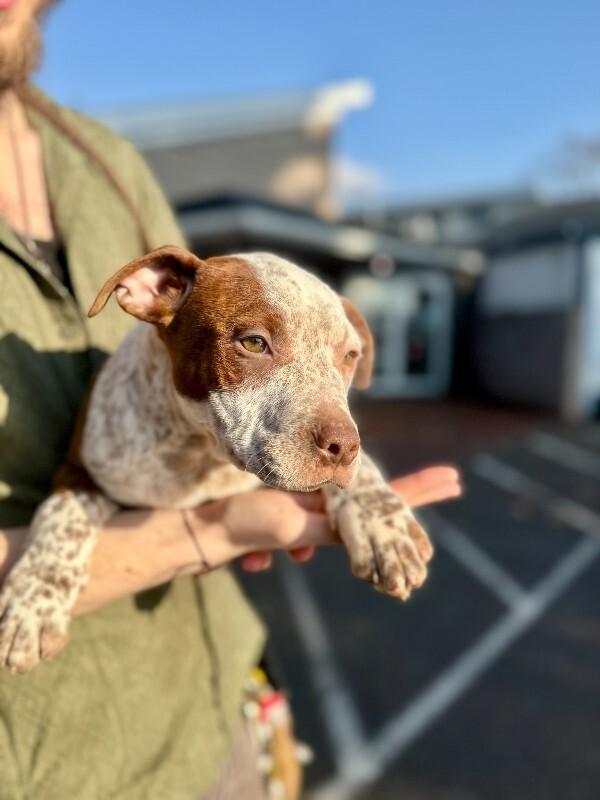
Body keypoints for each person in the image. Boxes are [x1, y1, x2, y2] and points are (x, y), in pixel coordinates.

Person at [0, 1, 462, 797]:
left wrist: (359, 488)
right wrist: (206, 531)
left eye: (346, 361)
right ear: (146, 291)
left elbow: (313, 414)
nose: (342, 424)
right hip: (59, 760)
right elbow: (89, 475)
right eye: (255, 344)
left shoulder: (102, 157)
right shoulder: (118, 415)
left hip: (214, 710)